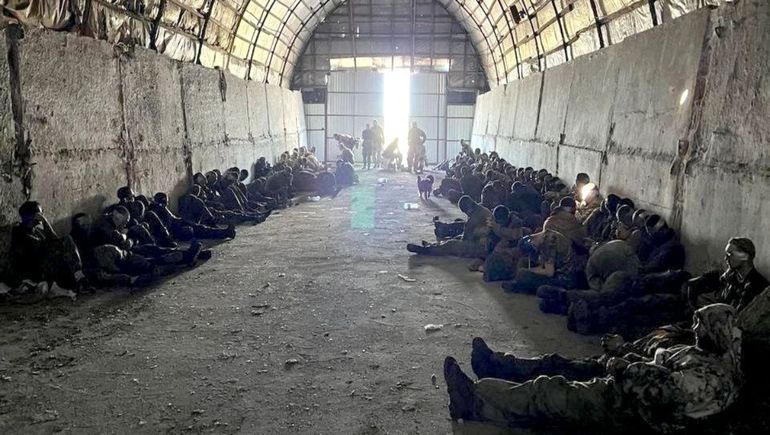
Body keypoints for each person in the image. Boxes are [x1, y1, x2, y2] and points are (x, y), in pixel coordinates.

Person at [444, 304, 743, 433]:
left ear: (716, 331)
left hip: (628, 408)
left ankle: (472, 400)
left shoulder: (713, 378)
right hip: (624, 385)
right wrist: (624, 353)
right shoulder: (701, 353)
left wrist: (625, 367)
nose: (695, 329)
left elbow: (662, 395)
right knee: (557, 364)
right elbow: (658, 363)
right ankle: (495, 365)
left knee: (550, 392)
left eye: (701, 325)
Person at [8, 201, 89, 292]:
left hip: (44, 266)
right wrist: (45, 223)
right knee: (66, 240)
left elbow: (57, 243)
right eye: (40, 214)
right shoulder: (19, 232)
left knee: (67, 252)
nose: (42, 216)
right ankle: (78, 278)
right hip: (33, 272)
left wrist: (45, 223)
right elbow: (42, 247)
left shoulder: (37, 231)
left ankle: (79, 279)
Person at [406, 196, 491, 259]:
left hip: (482, 247)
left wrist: (456, 240)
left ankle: (427, 250)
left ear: (468, 209)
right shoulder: (481, 209)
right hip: (483, 242)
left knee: (451, 245)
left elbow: (465, 239)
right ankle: (435, 245)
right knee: (456, 233)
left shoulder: (474, 218)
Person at [501, 229, 579, 294]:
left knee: (526, 276)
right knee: (524, 267)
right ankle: (518, 284)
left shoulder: (548, 243)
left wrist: (529, 271)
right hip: (559, 271)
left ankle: (518, 285)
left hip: (565, 278)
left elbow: (549, 272)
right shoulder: (543, 237)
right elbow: (543, 266)